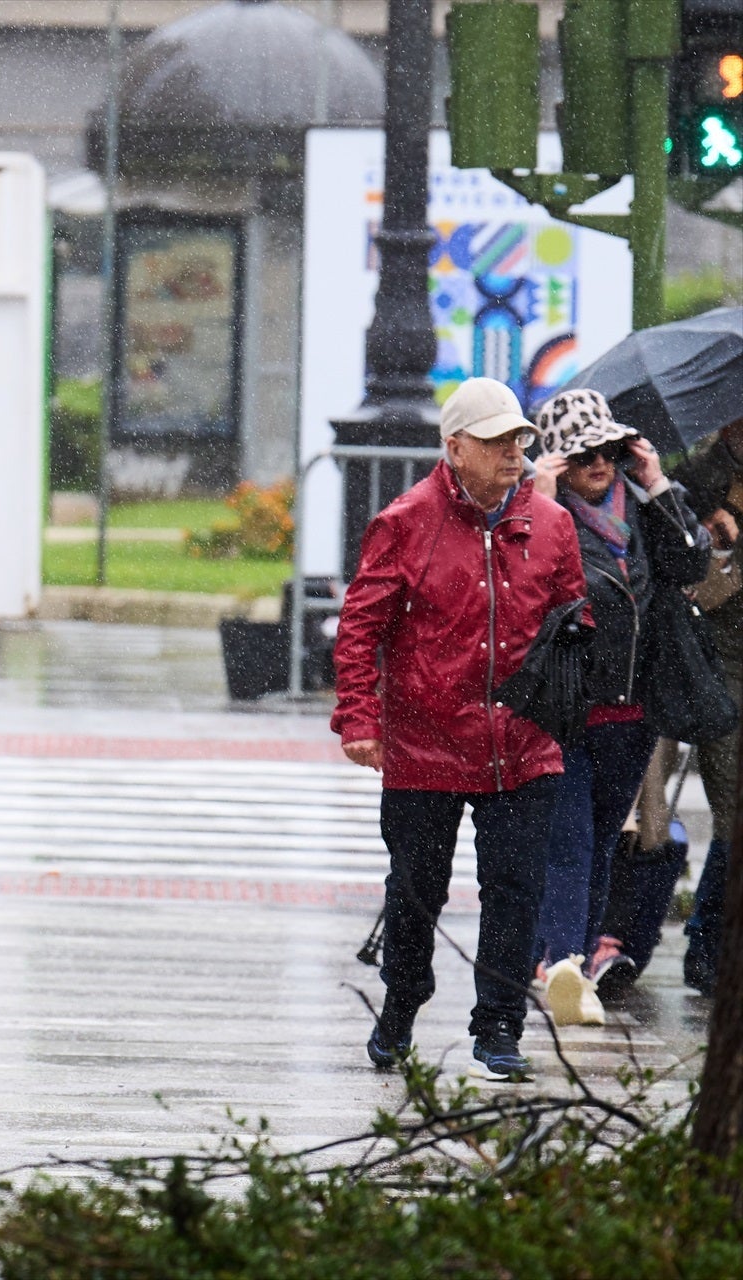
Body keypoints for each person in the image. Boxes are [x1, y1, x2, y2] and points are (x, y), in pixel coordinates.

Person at [332, 376, 586, 1082]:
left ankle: (499, 1024)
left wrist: (568, 689)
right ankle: (401, 1006)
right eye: (496, 441)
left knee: (516, 889)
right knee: (416, 889)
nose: (513, 453)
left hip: (524, 745)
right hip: (425, 742)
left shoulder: (552, 523)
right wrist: (359, 717)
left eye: (519, 440)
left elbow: (574, 617)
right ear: (455, 448)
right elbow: (360, 628)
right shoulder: (405, 521)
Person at [525, 390, 708, 1022]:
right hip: (567, 710)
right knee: (570, 842)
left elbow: (692, 561)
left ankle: (570, 964)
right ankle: (562, 963)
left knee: (603, 841)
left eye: (608, 449)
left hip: (634, 713)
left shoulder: (644, 509)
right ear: (558, 463)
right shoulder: (543, 514)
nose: (600, 463)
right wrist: (541, 501)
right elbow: (526, 588)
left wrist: (657, 482)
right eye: (583, 455)